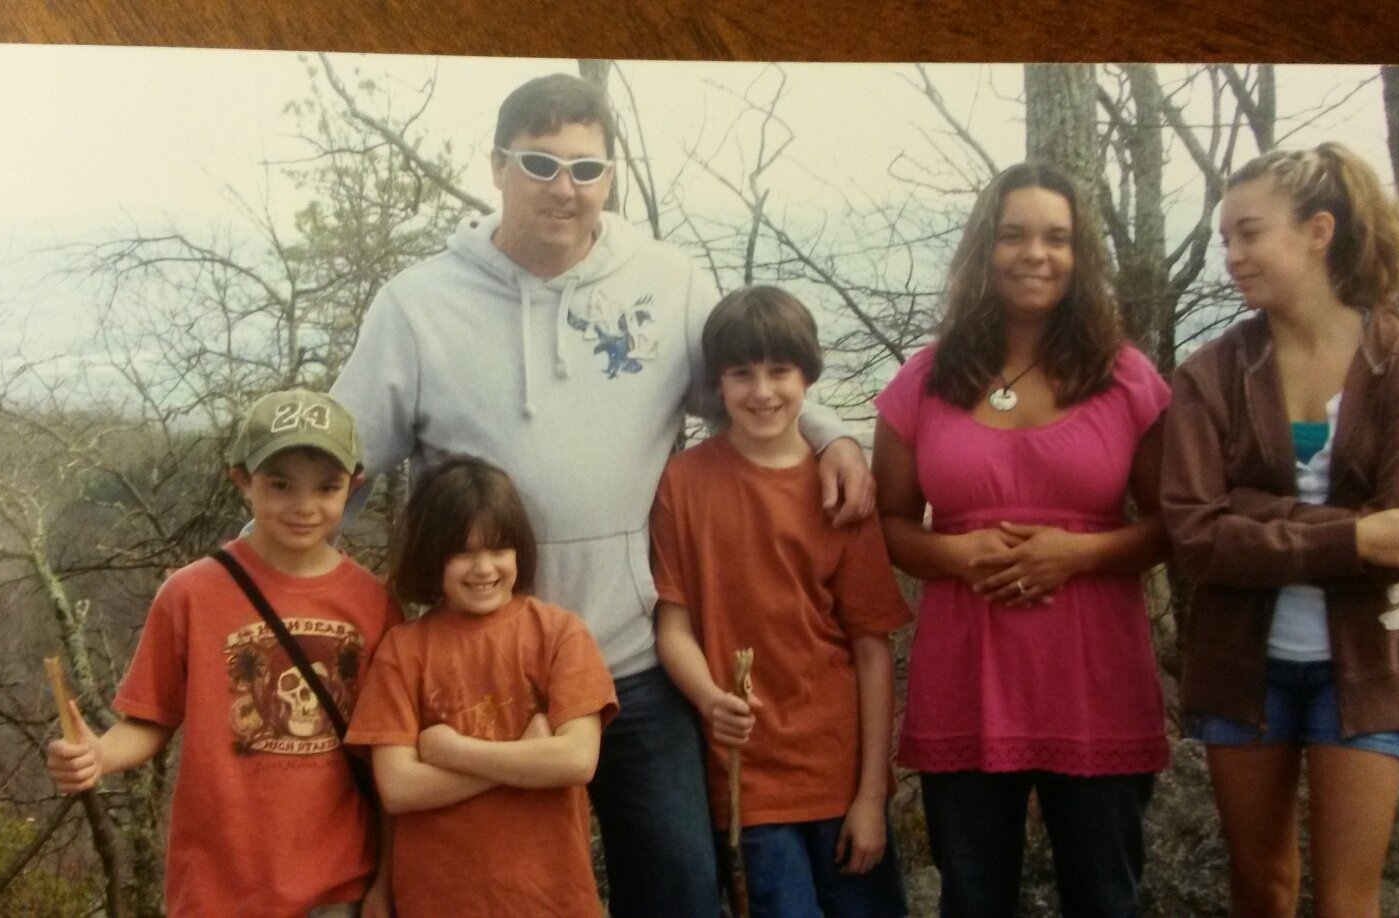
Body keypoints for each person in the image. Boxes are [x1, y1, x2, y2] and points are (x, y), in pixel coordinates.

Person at [328, 72, 873, 915]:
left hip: (633, 662)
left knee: (681, 894)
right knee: (506, 900)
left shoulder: (666, 281)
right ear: (496, 167)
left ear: (609, 177)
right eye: (540, 164)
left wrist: (829, 431)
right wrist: (285, 586)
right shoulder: (417, 306)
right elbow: (341, 467)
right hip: (482, 678)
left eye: (586, 169)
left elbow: (751, 377)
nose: (564, 188)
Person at [872, 162, 1171, 918]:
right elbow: (895, 526)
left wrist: (1078, 554)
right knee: (972, 898)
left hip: (1093, 676)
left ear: (1081, 255)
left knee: (1105, 897)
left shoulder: (1127, 377)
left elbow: (1174, 524)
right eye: (1013, 235)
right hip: (966, 676)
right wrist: (955, 554)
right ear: (985, 249)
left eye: (1057, 238)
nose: (1034, 253)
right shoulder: (925, 379)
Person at [1162, 142, 1399, 918]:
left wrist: (1250, 513)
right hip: (1241, 663)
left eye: (1249, 233)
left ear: (1318, 231)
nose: (1232, 255)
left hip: (1365, 665)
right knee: (1261, 889)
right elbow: (1193, 536)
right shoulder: (1210, 374)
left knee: (1347, 903)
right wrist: (1350, 538)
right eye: (1224, 238)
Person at [45, 389, 396, 918]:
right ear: (242, 482)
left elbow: (391, 757)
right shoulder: (190, 594)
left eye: (326, 487)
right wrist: (99, 755)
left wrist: (386, 885)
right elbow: (150, 719)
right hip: (217, 891)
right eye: (280, 485)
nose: (304, 506)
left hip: (336, 890)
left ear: (354, 487)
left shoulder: (375, 605)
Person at [649, 286, 912, 918]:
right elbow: (673, 626)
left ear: (809, 376)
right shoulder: (684, 485)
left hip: (839, 776)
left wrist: (872, 795)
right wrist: (710, 698)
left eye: (779, 372)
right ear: (718, 383)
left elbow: (873, 650)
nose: (762, 392)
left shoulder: (841, 494)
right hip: (746, 783)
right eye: (742, 374)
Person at [345, 456, 618, 918]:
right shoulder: (403, 650)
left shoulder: (560, 634)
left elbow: (576, 759)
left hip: (552, 898)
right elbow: (398, 787)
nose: (484, 568)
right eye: (462, 552)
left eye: (498, 549)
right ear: (432, 555)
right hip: (438, 900)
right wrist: (528, 755)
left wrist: (452, 752)